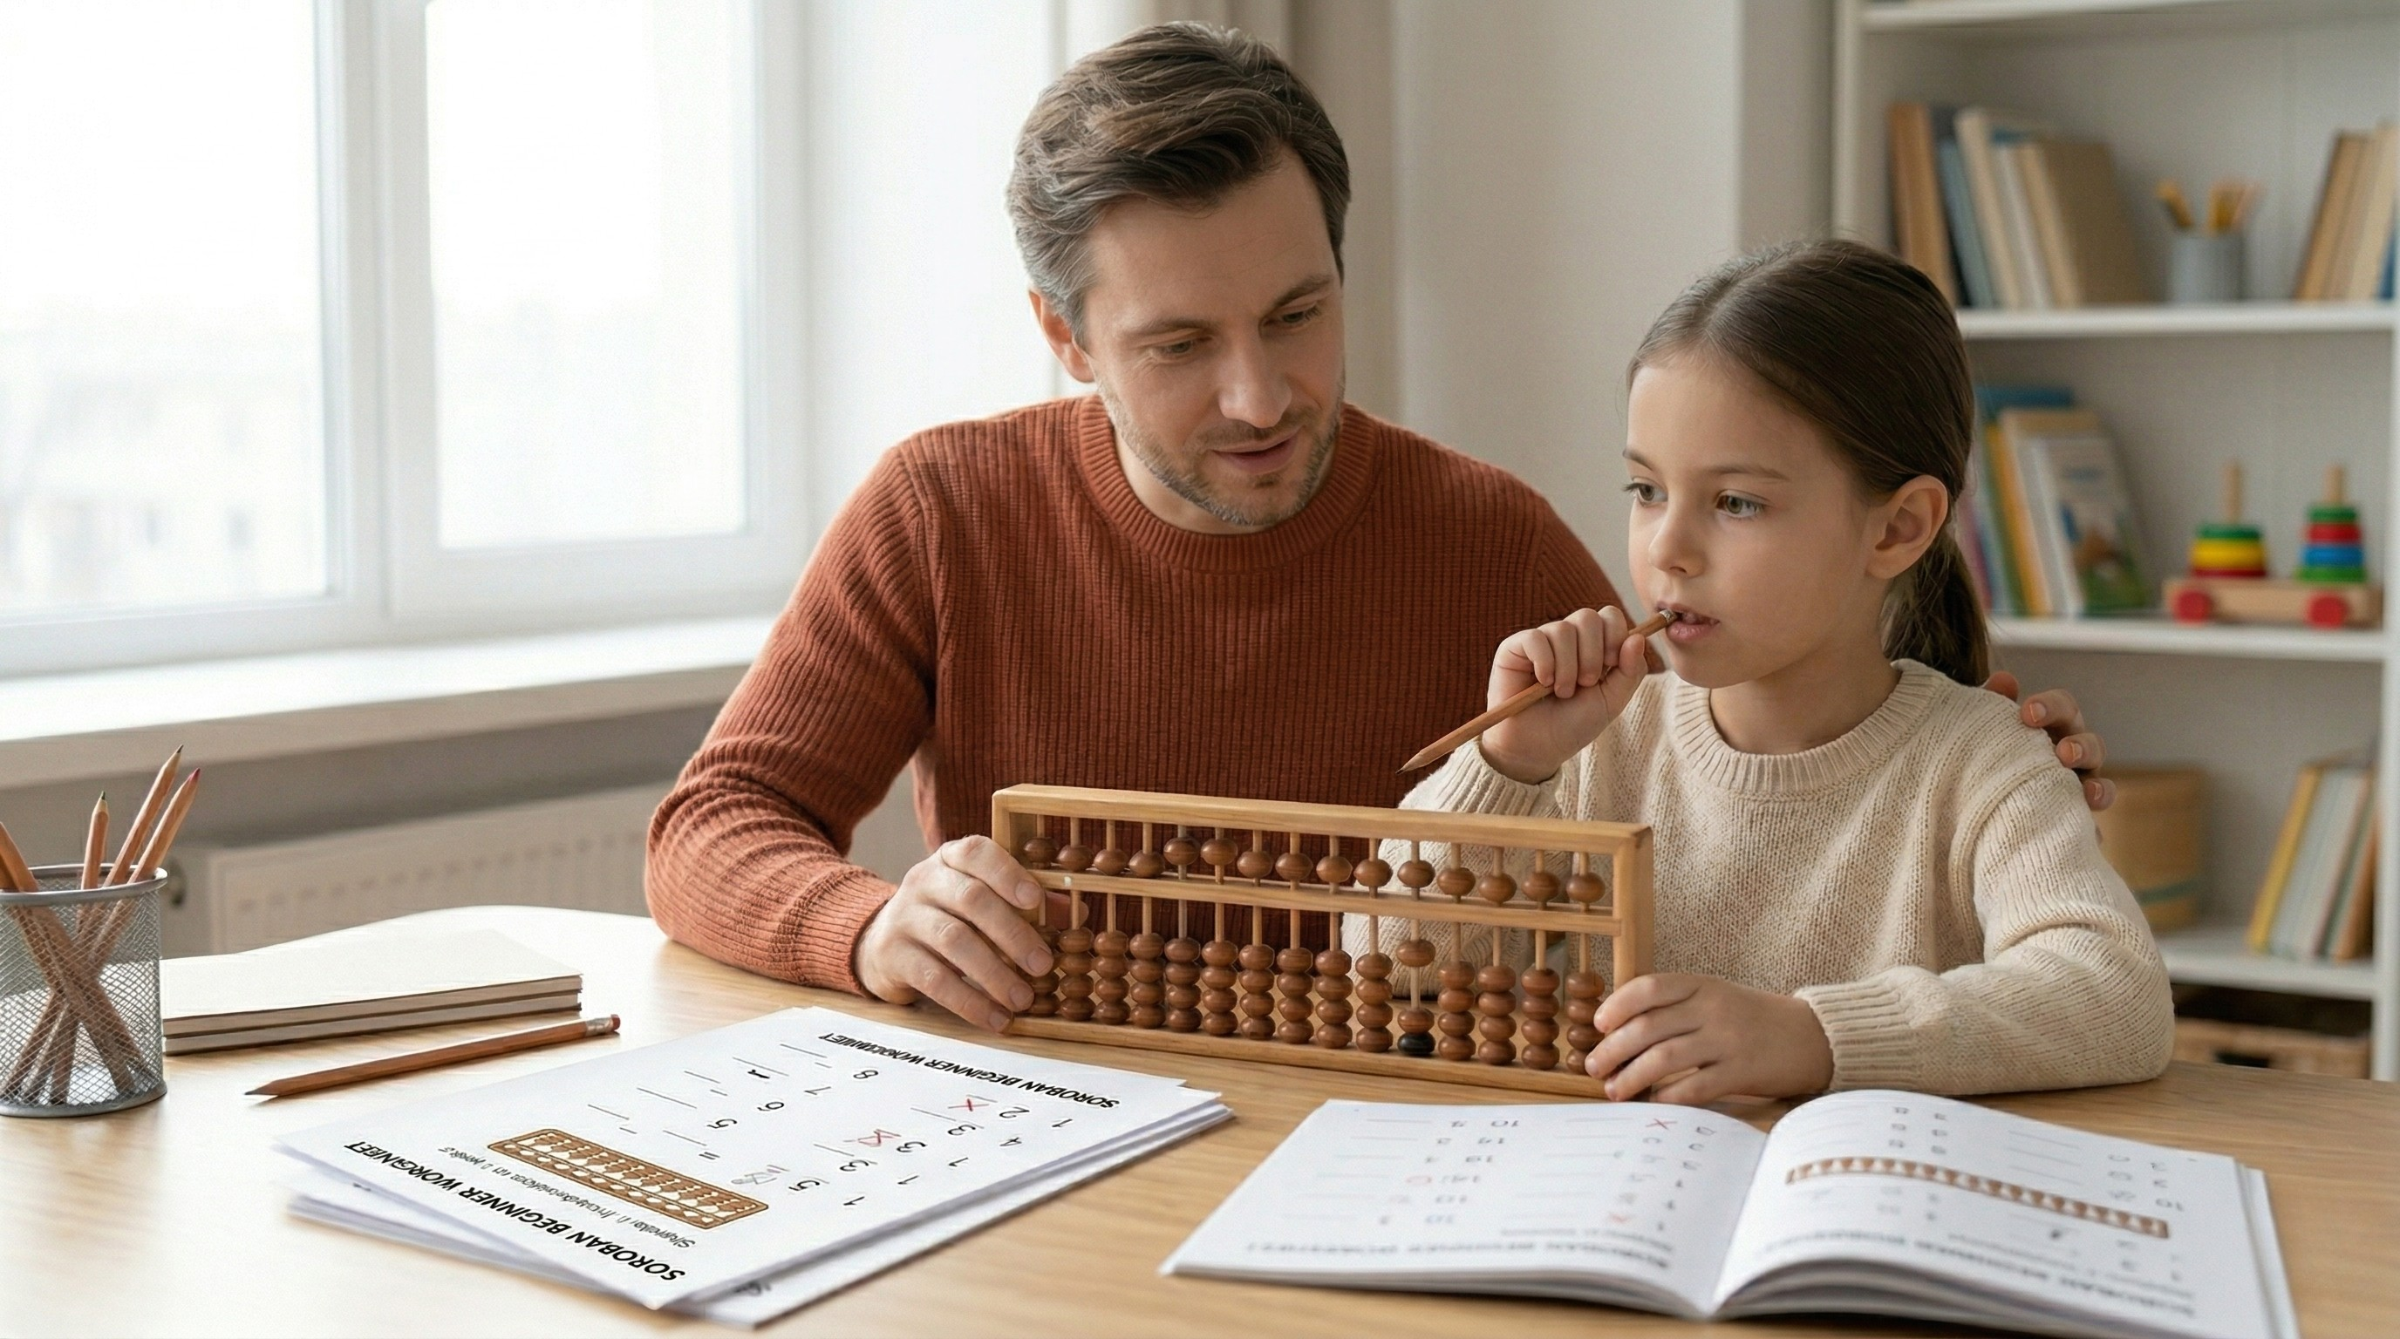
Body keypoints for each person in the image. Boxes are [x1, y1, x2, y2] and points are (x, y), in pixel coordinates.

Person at [644, 24, 2114, 1034]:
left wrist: (1949, 743)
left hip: (1378, 1136)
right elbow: (713, 825)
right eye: (1177, 345)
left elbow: (1726, 756)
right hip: (1047, 1123)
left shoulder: (1487, 535)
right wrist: (862, 924)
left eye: (1300, 313)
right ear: (1061, 334)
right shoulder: (939, 507)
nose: (1260, 394)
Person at [1397, 239, 2173, 1104]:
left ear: (1897, 528)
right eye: (1646, 491)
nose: (1668, 549)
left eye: (1736, 502)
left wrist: (1816, 1037)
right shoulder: (1595, 746)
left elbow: (2117, 995)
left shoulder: (1986, 762)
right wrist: (1508, 765)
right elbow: (1385, 969)